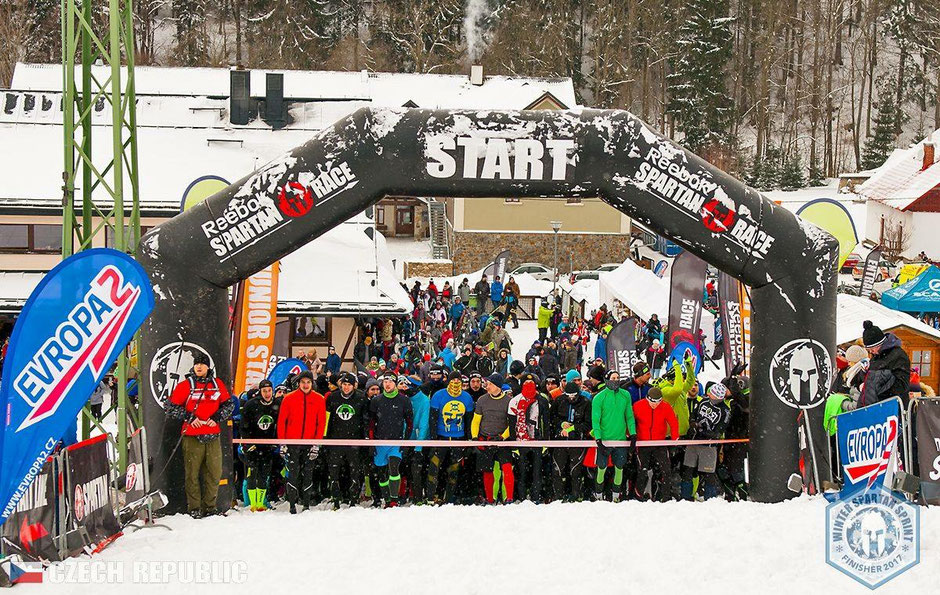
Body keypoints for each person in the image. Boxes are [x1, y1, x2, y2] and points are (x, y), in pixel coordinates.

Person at [166, 351, 234, 518]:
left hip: (213, 436)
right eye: (196, 364)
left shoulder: (217, 384)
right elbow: (170, 406)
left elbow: (229, 405)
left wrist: (217, 418)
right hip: (191, 436)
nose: (199, 366)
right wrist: (189, 418)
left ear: (208, 366)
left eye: (202, 364)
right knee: (192, 474)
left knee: (214, 473)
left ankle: (210, 507)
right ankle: (194, 508)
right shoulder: (185, 385)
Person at [278, 370, 327, 514]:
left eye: (308, 382)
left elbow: (321, 423)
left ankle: (306, 503)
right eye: (303, 382)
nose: (305, 385)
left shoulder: (319, 399)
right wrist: (282, 443)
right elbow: (282, 422)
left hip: (310, 443)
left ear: (312, 383)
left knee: (308, 473)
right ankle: (292, 504)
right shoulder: (288, 398)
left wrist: (316, 444)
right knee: (293, 474)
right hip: (292, 443)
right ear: (298, 383)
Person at [427, 372, 475, 504]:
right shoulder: (438, 395)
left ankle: (449, 498)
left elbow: (469, 421)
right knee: (434, 467)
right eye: (452, 379)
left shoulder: (467, 398)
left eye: (458, 380)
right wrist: (433, 440)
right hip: (441, 437)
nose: (455, 382)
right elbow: (433, 419)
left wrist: (469, 440)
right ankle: (431, 496)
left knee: (454, 469)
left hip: (458, 439)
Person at [368, 372, 413, 507]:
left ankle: (393, 500)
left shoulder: (404, 400)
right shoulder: (376, 401)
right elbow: (370, 423)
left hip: (396, 442)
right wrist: (371, 443)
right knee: (382, 474)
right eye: (385, 382)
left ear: (395, 384)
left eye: (390, 382)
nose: (387, 384)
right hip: (380, 442)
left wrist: (405, 442)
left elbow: (410, 423)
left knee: (394, 469)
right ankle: (387, 500)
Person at [591, 369, 636, 501]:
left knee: (619, 468)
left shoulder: (625, 395)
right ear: (607, 380)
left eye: (618, 377)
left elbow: (629, 416)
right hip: (604, 440)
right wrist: (598, 440)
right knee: (601, 468)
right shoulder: (599, 398)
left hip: (620, 440)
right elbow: (595, 420)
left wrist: (633, 434)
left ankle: (616, 495)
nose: (616, 380)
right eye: (613, 378)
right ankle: (598, 494)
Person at [325, 372, 369, 509]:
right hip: (335, 441)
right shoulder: (333, 397)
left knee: (354, 471)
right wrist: (325, 437)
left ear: (354, 385)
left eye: (349, 385)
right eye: (344, 384)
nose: (346, 387)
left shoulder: (361, 398)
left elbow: (365, 420)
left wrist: (365, 438)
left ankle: (353, 499)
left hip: (354, 441)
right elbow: (327, 419)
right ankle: (336, 499)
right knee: (334, 472)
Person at [681, 383, 731, 501]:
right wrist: (692, 423)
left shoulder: (725, 411)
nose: (710, 396)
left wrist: (702, 431)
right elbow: (693, 413)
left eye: (713, 395)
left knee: (709, 473)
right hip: (693, 442)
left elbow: (718, 432)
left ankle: (710, 499)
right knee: (687, 470)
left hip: (709, 446)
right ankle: (685, 497)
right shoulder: (703, 401)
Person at [472, 373, 514, 504]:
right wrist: (475, 437)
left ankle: (509, 497)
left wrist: (502, 437)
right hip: (485, 439)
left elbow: (512, 424)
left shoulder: (508, 401)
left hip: (502, 440)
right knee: (488, 471)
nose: (487, 386)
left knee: (507, 468)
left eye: (489, 384)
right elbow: (476, 421)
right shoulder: (482, 400)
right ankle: (490, 498)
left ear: (497, 386)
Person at [240, 379, 280, 512]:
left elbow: (279, 424)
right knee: (252, 474)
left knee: (264, 475)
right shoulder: (251, 405)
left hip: (268, 446)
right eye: (264, 391)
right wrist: (248, 444)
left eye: (269, 391)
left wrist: (275, 442)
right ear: (260, 391)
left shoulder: (276, 404)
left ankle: (261, 503)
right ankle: (252, 504)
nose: (267, 394)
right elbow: (243, 426)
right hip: (252, 445)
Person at [508, 379, 551, 502]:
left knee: (537, 471)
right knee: (522, 472)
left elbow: (546, 423)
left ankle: (536, 496)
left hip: (537, 441)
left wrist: (545, 443)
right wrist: (514, 446)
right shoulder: (514, 401)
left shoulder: (542, 401)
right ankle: (522, 497)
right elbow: (511, 424)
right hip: (520, 441)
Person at [633, 387, 679, 501]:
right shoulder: (638, 406)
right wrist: (630, 435)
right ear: (647, 399)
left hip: (659, 443)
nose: (655, 405)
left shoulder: (665, 406)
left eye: (658, 402)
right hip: (642, 443)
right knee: (642, 470)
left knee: (666, 470)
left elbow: (673, 422)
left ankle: (665, 496)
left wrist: (674, 439)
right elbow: (630, 421)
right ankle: (638, 496)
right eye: (652, 402)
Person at [550, 381, 592, 501]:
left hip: (577, 441)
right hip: (560, 441)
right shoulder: (559, 401)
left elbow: (588, 424)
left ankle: (576, 495)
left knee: (576, 471)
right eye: (569, 395)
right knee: (557, 469)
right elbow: (551, 417)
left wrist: (573, 428)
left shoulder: (585, 402)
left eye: (574, 395)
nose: (571, 398)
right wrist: (561, 424)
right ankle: (558, 496)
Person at [860, 320, 912, 407]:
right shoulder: (876, 356)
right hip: (875, 404)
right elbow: (872, 377)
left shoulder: (898, 355)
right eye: (869, 350)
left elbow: (902, 384)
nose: (871, 352)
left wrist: (878, 389)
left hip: (892, 405)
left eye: (872, 349)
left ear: (880, 344)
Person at [408, 375, 431, 504]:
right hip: (406, 440)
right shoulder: (405, 398)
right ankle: (409, 493)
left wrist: (419, 445)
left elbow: (424, 424)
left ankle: (419, 497)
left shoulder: (424, 401)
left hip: (420, 441)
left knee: (418, 470)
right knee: (407, 470)